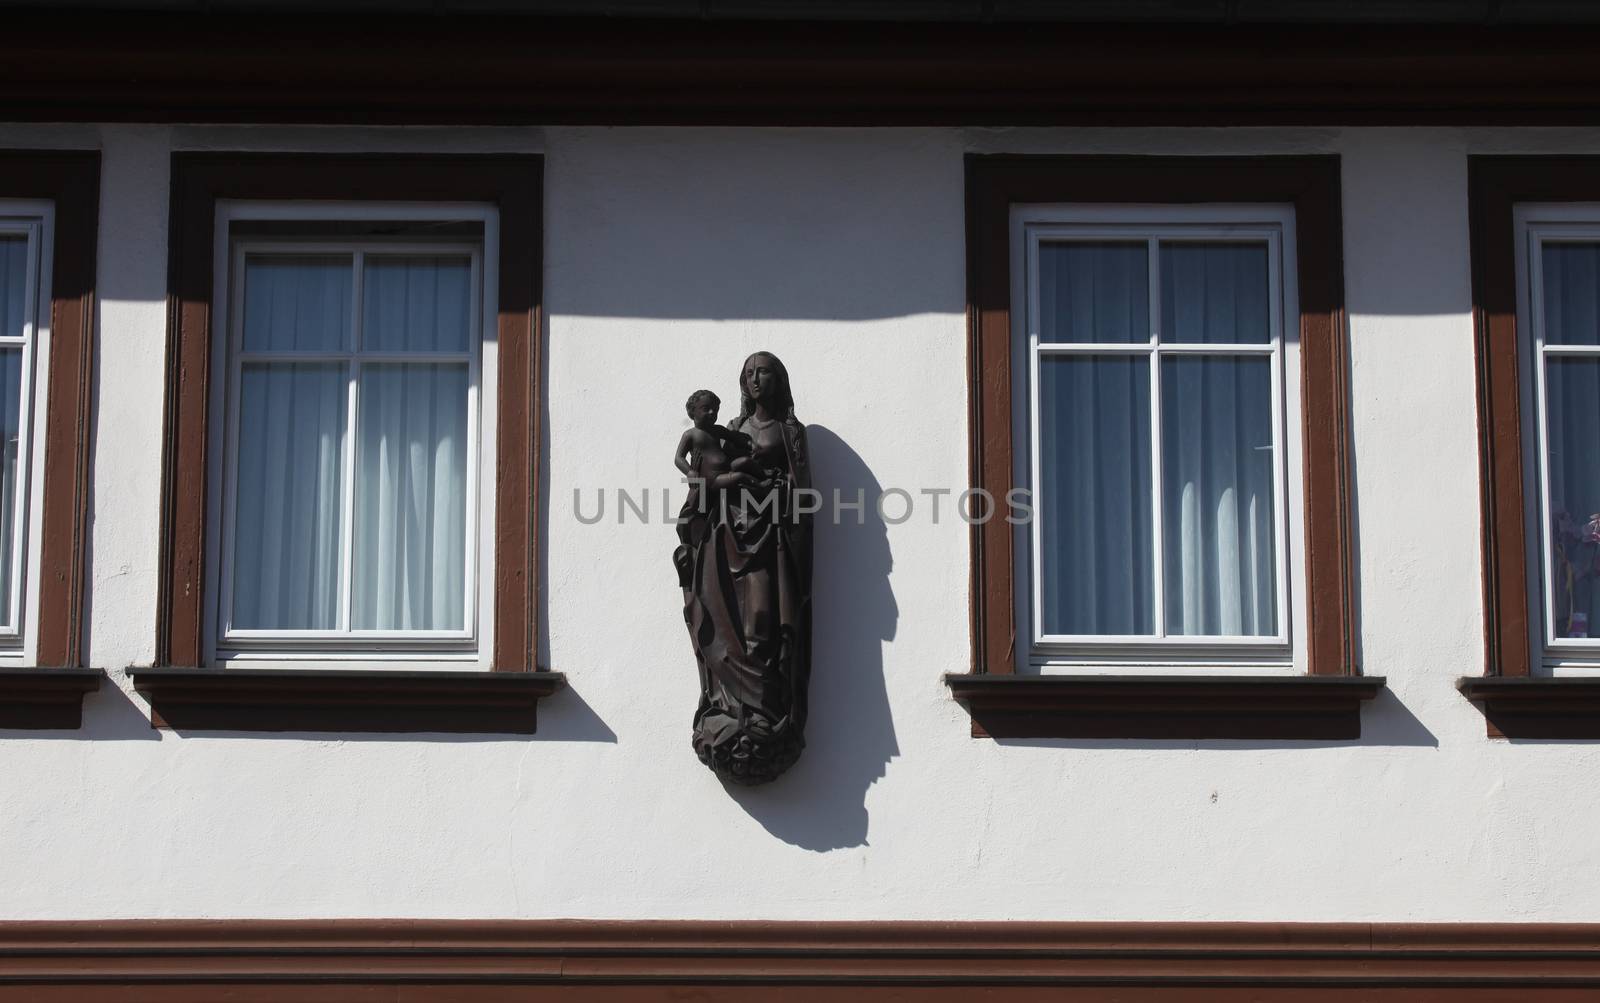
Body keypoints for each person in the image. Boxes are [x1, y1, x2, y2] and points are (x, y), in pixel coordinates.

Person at [674, 353, 813, 785]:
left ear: (779, 379)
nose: (756, 380)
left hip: (769, 538)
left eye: (764, 372)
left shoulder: (791, 432)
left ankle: (765, 710)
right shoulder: (729, 431)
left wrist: (779, 491)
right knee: (721, 613)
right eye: (749, 374)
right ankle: (729, 708)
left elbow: (801, 492)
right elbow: (702, 475)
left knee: (764, 619)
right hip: (727, 535)